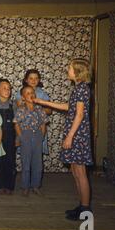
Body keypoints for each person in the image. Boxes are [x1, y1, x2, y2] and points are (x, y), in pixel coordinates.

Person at [34, 58, 93, 221]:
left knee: (80, 173)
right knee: (75, 171)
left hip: (77, 135)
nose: (68, 70)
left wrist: (70, 136)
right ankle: (82, 205)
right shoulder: (78, 88)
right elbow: (69, 108)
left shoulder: (82, 89)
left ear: (78, 71)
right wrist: (42, 101)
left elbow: (79, 115)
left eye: (70, 68)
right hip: (76, 133)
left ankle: (86, 210)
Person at [14, 85, 48, 197]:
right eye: (27, 93)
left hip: (37, 135)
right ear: (23, 97)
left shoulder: (40, 109)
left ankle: (36, 186)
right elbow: (16, 124)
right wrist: (21, 137)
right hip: (26, 135)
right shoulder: (21, 109)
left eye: (32, 92)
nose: (31, 95)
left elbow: (43, 124)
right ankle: (25, 186)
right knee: (26, 163)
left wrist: (41, 136)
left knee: (38, 163)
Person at [0, 79, 17, 195]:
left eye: (9, 88)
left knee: (10, 161)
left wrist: (18, 138)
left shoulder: (14, 105)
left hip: (10, 136)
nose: (7, 90)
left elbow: (18, 124)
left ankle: (9, 186)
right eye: (4, 88)